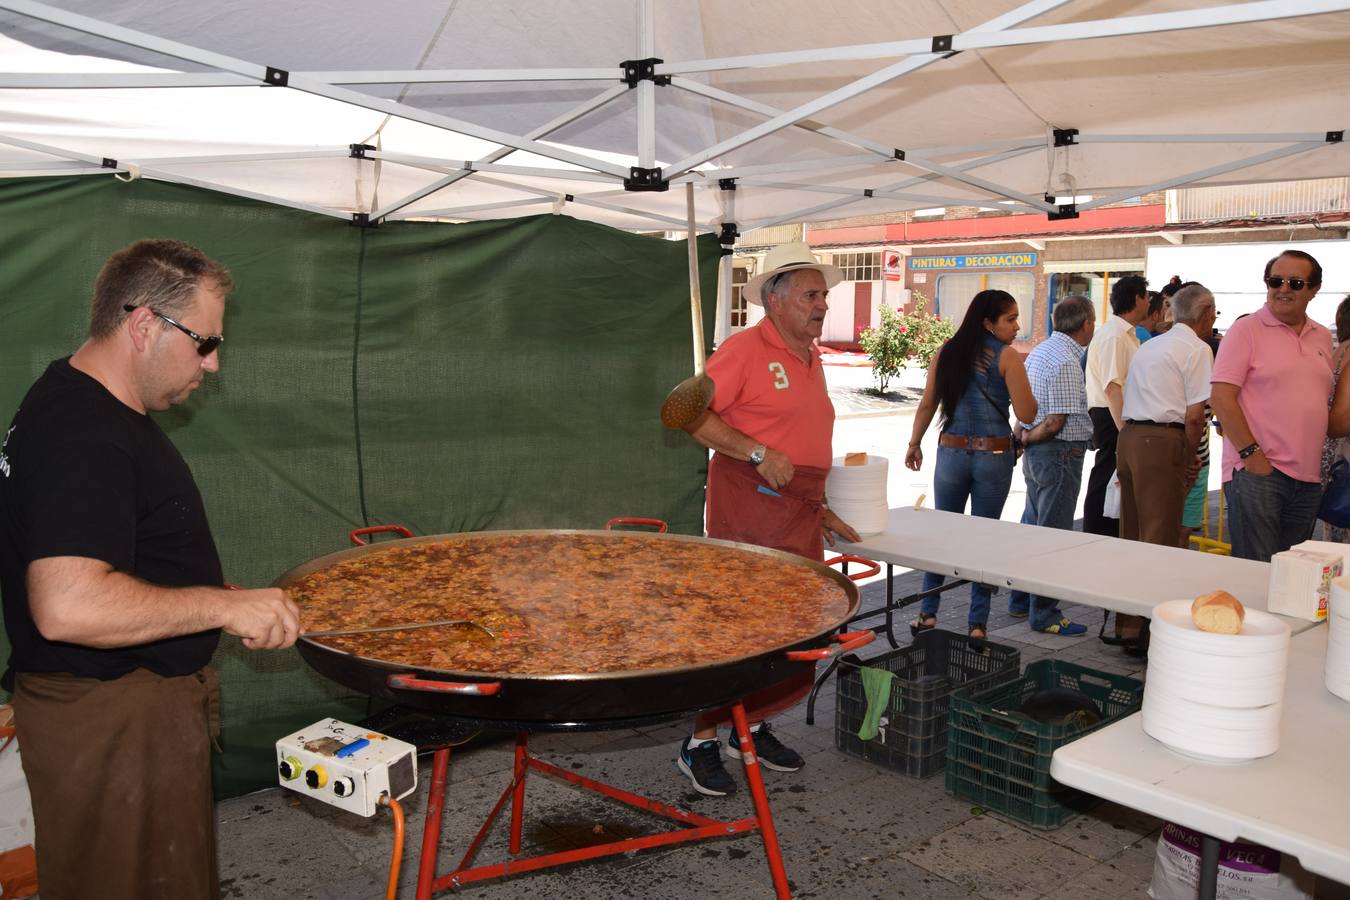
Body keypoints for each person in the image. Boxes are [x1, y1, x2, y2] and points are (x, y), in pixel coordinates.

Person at [0, 239, 301, 900]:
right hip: (111, 722)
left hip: (119, 712)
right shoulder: (85, 432)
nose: (213, 363)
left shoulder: (79, 401)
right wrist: (221, 608)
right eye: (204, 342)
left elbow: (105, 546)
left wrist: (205, 593)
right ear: (143, 326)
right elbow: (69, 605)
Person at [678, 241, 861, 796]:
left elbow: (799, 437)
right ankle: (700, 742)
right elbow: (687, 413)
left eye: (824, 295)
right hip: (749, 504)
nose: (822, 305)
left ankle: (750, 728)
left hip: (796, 510)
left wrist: (820, 505)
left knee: (789, 624)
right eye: (810, 295)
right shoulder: (744, 350)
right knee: (738, 627)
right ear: (774, 300)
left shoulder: (811, 355)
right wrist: (757, 452)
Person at [904, 290, 1037, 640]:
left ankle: (927, 613)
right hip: (993, 456)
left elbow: (927, 403)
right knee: (984, 539)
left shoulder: (947, 352)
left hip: (951, 453)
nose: (1017, 326)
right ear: (988, 323)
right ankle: (977, 624)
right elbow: (1027, 413)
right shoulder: (1008, 357)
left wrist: (914, 443)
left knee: (942, 534)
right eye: (1010, 319)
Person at [1211, 250, 1332, 562]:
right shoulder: (1246, 330)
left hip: (1307, 479)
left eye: (1295, 283)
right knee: (1257, 572)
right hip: (1260, 473)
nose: (1283, 289)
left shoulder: (1321, 337)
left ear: (1314, 289)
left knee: (1292, 575)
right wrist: (1252, 457)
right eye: (1275, 281)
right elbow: (1221, 397)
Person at [1007, 295, 1095, 636]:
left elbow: (1025, 408)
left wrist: (1022, 435)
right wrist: (1028, 438)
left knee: (1032, 527)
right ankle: (1044, 613)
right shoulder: (1067, 361)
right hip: (1058, 453)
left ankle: (1019, 599)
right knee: (1052, 535)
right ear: (1085, 323)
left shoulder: (1042, 351)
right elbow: (1056, 421)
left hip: (1041, 452)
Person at [1118, 283, 1217, 547]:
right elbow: (1195, 416)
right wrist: (1188, 457)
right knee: (1160, 533)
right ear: (1207, 312)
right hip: (1162, 440)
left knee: (1132, 529)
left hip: (1130, 437)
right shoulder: (1197, 348)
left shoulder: (1149, 345)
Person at [1083, 276, 1149, 545]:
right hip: (1110, 414)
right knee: (1106, 473)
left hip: (1116, 413)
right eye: (1146, 296)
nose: (1149, 302)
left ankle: (1109, 533)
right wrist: (1125, 430)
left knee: (1114, 475)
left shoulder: (1126, 334)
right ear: (1137, 299)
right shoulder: (1115, 335)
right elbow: (1112, 388)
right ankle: (1097, 535)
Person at [1320, 295, 1350, 542]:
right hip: (1344, 450)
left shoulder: (1334, 353)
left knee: (1336, 526)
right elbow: (1340, 421)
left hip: (1329, 456)